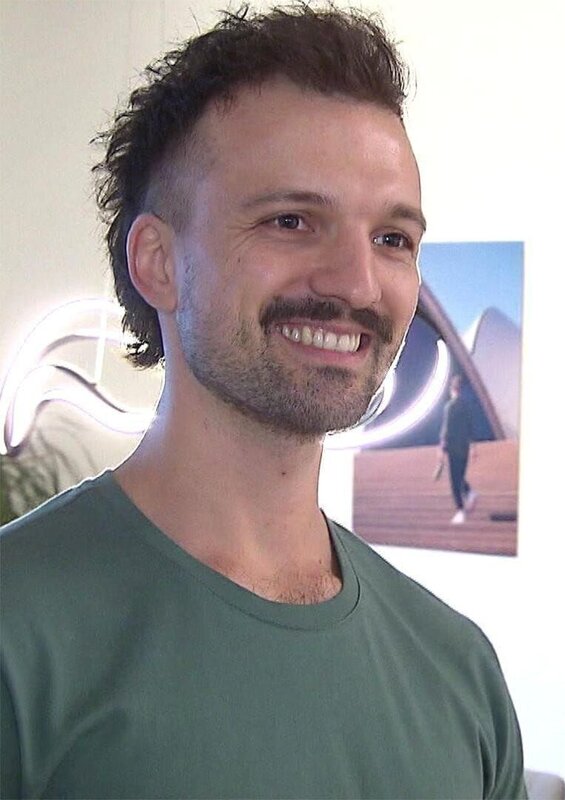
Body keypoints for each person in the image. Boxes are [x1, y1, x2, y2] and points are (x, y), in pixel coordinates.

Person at [0, 6, 527, 799]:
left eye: (391, 239)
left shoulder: (459, 670)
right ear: (158, 262)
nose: (357, 284)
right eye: (291, 221)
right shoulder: (19, 631)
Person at [439, 374, 478, 525]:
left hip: (453, 447)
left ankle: (460, 511)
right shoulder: (467, 406)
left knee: (455, 481)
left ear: (453, 389)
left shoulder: (449, 407)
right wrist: (473, 447)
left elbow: (446, 429)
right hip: (464, 447)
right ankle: (470, 493)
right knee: (460, 476)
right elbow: (471, 427)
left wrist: (442, 448)